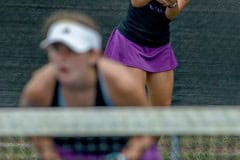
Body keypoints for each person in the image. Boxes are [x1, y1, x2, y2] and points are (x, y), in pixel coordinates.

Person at [20, 10, 160, 160]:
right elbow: (34, 131)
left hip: (124, 151)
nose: (62, 58)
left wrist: (125, 157)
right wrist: (50, 155)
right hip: (70, 153)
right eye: (55, 49)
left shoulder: (120, 83)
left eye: (72, 50)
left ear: (93, 55)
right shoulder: (39, 88)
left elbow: (147, 130)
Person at [105, 0, 190, 106]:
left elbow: (170, 16)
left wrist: (172, 3)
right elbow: (137, 2)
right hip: (131, 43)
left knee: (161, 111)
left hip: (160, 47)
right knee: (133, 106)